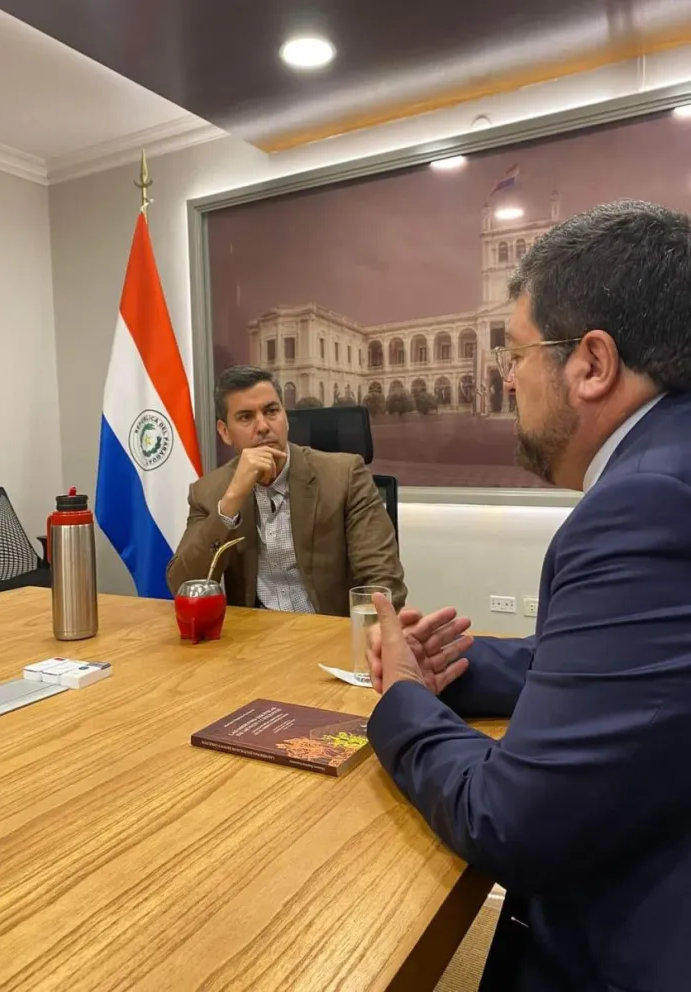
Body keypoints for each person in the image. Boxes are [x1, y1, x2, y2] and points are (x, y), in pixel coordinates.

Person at [366, 201, 691, 992]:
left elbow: (511, 820)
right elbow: (630, 670)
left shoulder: (644, 502)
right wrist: (458, 667)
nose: (505, 378)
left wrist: (403, 699)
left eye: (516, 354)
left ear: (592, 363)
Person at [167, 365, 406, 615]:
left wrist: (367, 632)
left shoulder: (345, 476)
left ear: (285, 418)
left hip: (330, 630)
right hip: (256, 633)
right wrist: (231, 502)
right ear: (225, 432)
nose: (263, 426)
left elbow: (382, 578)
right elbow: (182, 585)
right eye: (246, 417)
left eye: (271, 411)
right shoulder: (207, 492)